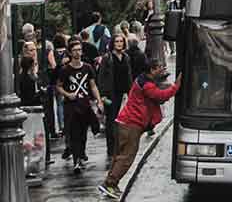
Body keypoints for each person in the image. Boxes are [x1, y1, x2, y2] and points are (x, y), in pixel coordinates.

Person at [99, 59, 182, 199]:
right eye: (160, 67)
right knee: (127, 157)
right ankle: (110, 184)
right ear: (152, 70)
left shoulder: (142, 80)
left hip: (124, 122)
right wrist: (176, 86)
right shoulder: (147, 85)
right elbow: (161, 95)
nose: (163, 70)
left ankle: (110, 183)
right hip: (131, 124)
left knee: (119, 156)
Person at [57, 38, 102, 172]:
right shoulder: (65, 70)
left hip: (84, 103)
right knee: (74, 132)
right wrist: (67, 94)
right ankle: (77, 160)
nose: (78, 52)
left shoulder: (87, 68)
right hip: (71, 105)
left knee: (83, 132)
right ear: (70, 53)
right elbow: (58, 86)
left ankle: (81, 155)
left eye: (79, 50)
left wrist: (98, 101)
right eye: (75, 50)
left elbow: (93, 86)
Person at [97, 34, 133, 159]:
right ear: (113, 43)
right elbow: (101, 77)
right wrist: (101, 95)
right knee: (111, 121)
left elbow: (128, 76)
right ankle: (111, 149)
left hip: (123, 93)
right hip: (111, 94)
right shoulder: (107, 58)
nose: (119, 43)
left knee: (122, 121)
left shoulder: (126, 57)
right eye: (117, 41)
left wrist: (131, 93)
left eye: (121, 41)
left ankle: (119, 147)